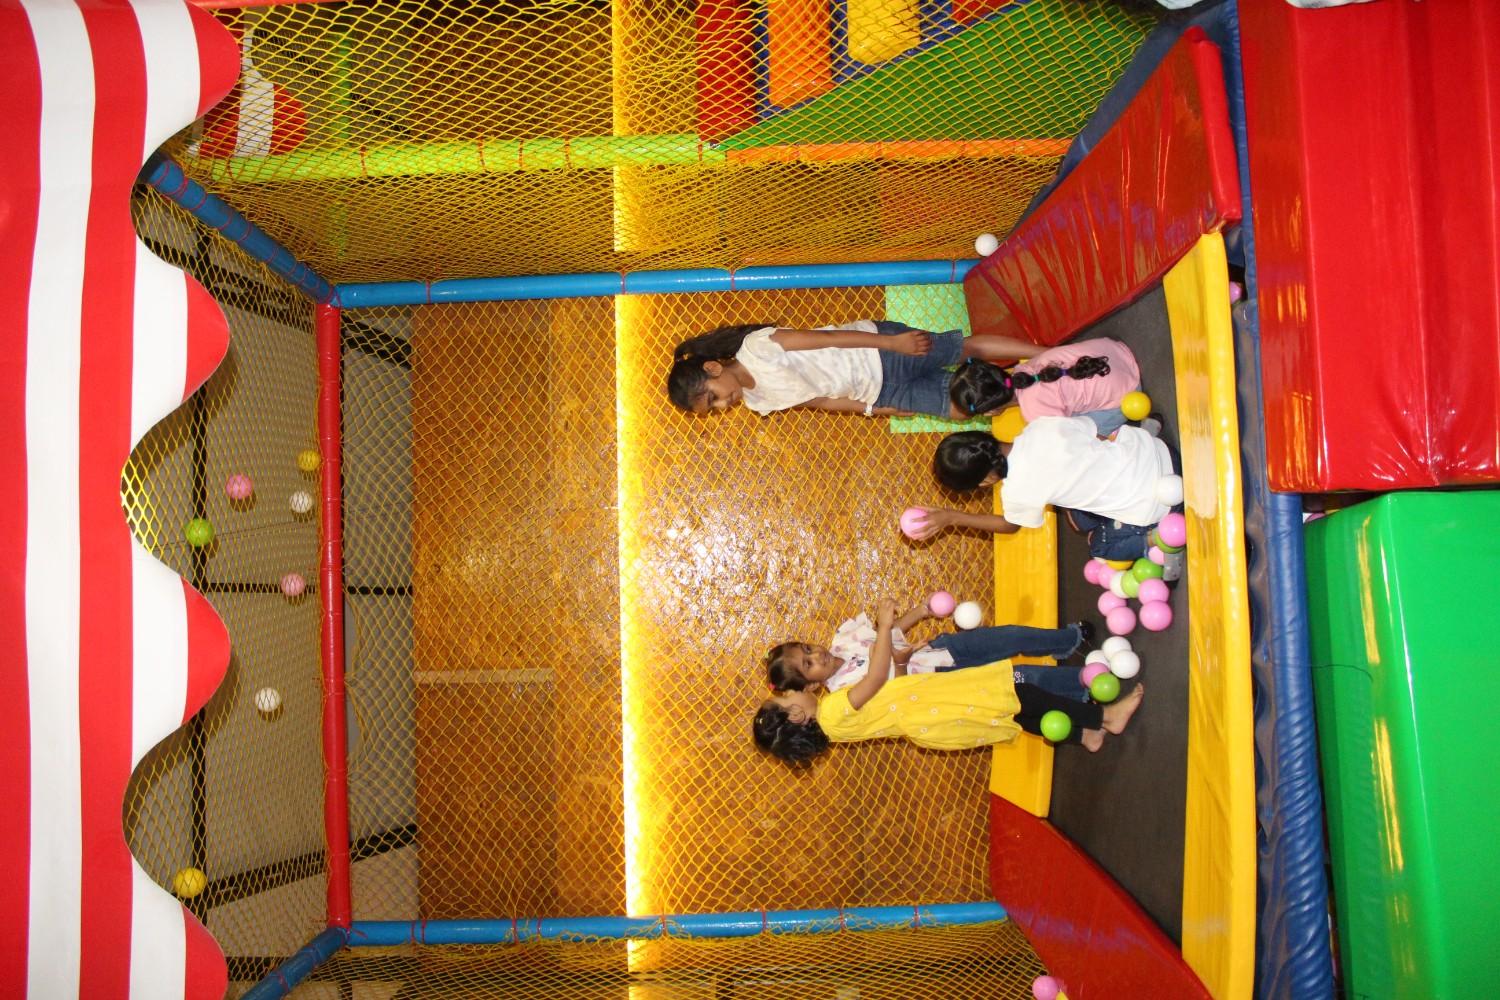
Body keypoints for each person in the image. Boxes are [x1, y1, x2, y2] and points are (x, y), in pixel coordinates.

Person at [753, 599, 1145, 764]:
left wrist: (906, 636)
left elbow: (892, 694)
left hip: (931, 704)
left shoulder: (836, 722)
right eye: (791, 697)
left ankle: (1084, 735)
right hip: (937, 703)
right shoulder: (834, 709)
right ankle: (1104, 718)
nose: (798, 694)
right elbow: (875, 678)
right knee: (1019, 691)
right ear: (797, 717)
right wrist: (887, 624)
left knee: (1011, 707)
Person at [914, 425, 1180, 567]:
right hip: (1159, 451)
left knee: (1099, 545)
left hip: (1160, 504)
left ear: (984, 481)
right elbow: (1097, 436)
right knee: (1079, 517)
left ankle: (1160, 538)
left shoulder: (1017, 493)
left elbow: (1009, 525)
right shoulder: (1038, 427)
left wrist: (951, 517)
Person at [665, 320, 1039, 419]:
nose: (721, 406)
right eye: (712, 411)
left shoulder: (758, 348)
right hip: (876, 391)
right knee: (962, 407)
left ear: (714, 368)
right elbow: (822, 401)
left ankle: (1049, 354)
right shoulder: (758, 402)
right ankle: (1045, 392)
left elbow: (829, 340)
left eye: (712, 399)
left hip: (881, 352)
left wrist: (893, 343)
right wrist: (876, 409)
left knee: (963, 349)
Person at [764, 596, 1095, 699]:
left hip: (942, 648)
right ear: (810, 685)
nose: (815, 655)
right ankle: (1083, 684)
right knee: (1016, 678)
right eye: (808, 665)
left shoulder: (844, 638)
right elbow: (899, 689)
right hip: (942, 683)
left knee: (1007, 636)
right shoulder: (844, 693)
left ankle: (1067, 640)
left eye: (807, 648)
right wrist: (901, 661)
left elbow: (891, 632)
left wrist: (920, 612)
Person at [948, 337, 1147, 436]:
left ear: (991, 410)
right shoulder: (1024, 368)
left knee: (1082, 435)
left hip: (1127, 393)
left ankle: (1127, 437)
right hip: (1115, 351)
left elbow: (1072, 444)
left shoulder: (1035, 413)